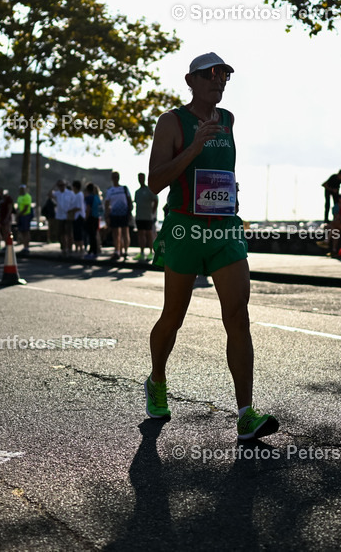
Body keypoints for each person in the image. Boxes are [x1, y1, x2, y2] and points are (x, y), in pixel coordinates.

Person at [145, 51, 278, 441]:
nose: (218, 81)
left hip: (224, 230)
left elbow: (220, 171)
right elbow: (154, 182)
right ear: (190, 81)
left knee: (238, 316)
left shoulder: (229, 120)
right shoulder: (172, 122)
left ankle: (245, 415)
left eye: (224, 75)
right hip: (184, 229)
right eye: (210, 75)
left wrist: (227, 189)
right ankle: (157, 380)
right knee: (174, 316)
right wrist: (193, 148)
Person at [104, 172, 133, 260]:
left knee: (125, 233)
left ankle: (125, 251)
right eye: (114, 177)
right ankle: (117, 251)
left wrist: (130, 212)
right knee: (116, 234)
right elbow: (106, 203)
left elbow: (129, 201)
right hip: (114, 214)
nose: (115, 178)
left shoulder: (124, 188)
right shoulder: (110, 190)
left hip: (124, 214)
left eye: (117, 177)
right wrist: (107, 215)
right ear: (112, 178)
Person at [134, 172, 159, 261]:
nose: (140, 179)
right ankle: (141, 252)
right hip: (139, 216)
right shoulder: (137, 192)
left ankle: (150, 253)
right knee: (140, 234)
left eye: (142, 177)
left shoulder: (150, 190)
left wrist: (153, 212)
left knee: (149, 234)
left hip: (148, 217)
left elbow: (156, 201)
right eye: (139, 178)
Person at [84, 183, 103, 259]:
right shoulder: (97, 197)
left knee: (91, 235)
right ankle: (94, 251)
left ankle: (92, 251)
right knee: (94, 234)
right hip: (97, 218)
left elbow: (88, 209)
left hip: (91, 218)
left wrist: (85, 218)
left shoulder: (89, 198)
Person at [15, 183, 33, 252]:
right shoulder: (19, 197)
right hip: (20, 216)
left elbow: (25, 208)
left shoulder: (27, 196)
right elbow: (18, 207)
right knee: (22, 231)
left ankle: (27, 247)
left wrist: (18, 215)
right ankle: (24, 246)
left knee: (26, 231)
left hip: (25, 216)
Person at [71, 180, 86, 256]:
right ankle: (77, 250)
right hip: (76, 217)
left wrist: (70, 210)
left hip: (79, 217)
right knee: (76, 234)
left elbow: (79, 207)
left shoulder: (79, 195)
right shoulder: (76, 195)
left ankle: (81, 250)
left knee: (79, 234)